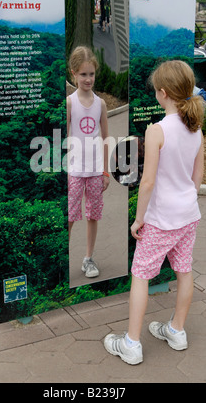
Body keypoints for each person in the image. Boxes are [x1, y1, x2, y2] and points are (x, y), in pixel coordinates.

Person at [104, 60, 205, 365]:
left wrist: (139, 220)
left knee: (141, 275)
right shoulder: (195, 128)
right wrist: (184, 200)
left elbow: (146, 183)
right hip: (189, 215)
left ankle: (131, 344)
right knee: (184, 270)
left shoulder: (157, 131)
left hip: (161, 219)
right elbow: (197, 178)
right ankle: (176, 330)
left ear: (162, 94)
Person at [67, 46, 110, 278]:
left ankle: (88, 258)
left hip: (95, 170)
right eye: (83, 74)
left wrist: (105, 171)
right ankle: (61, 259)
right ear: (73, 73)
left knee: (93, 215)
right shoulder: (69, 103)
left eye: (91, 74)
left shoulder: (101, 104)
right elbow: (63, 139)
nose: (88, 79)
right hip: (74, 170)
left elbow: (105, 138)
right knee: (70, 215)